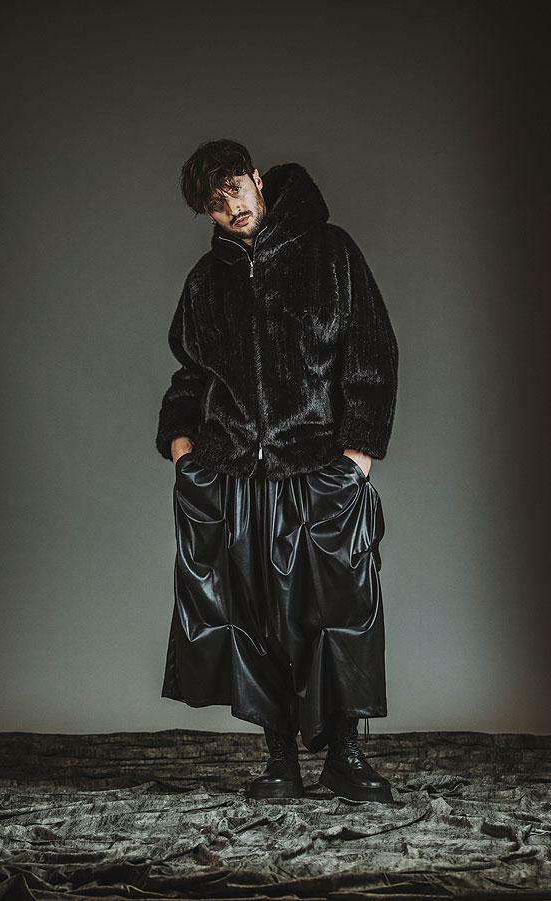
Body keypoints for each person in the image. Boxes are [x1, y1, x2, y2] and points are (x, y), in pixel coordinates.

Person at [156, 138, 399, 804]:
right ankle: (279, 759)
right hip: (235, 473)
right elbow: (190, 374)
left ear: (257, 178)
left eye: (234, 188)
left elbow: (372, 353)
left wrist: (358, 453)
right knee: (255, 614)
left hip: (317, 465)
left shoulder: (331, 253)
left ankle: (344, 755)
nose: (230, 207)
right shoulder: (206, 283)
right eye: (215, 203)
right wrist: (180, 446)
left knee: (340, 608)